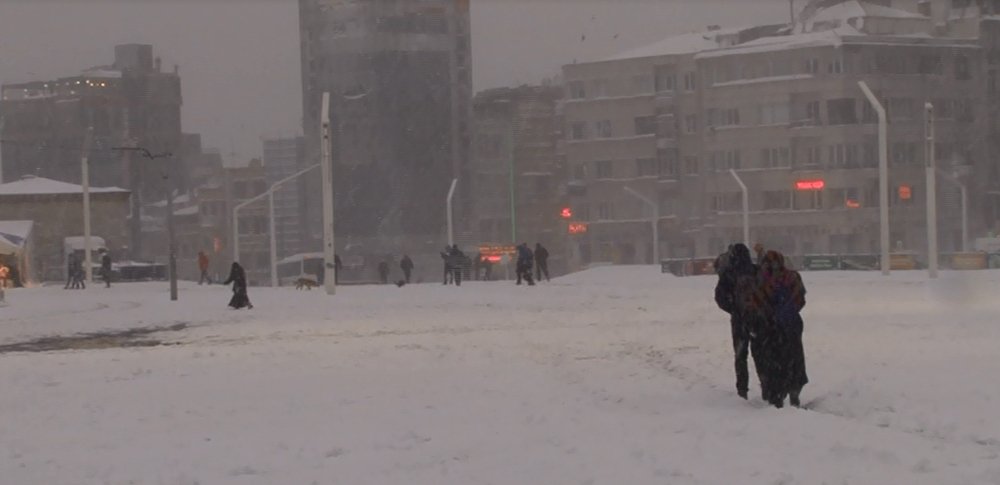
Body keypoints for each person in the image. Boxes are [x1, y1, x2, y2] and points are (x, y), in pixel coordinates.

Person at [759, 250, 809, 408]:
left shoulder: (762, 281)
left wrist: (770, 316)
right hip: (792, 324)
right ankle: (794, 391)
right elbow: (800, 299)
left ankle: (777, 394)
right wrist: (788, 312)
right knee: (795, 359)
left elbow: (759, 304)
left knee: (774, 361)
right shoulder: (792, 277)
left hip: (771, 328)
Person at [714, 243, 761, 400]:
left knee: (741, 356)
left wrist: (734, 310)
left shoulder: (728, 274)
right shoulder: (756, 271)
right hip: (757, 319)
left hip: (739, 320)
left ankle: (742, 389)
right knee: (760, 354)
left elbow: (720, 297)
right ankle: (766, 386)